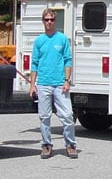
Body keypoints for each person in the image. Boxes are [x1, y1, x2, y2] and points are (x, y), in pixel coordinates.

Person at [29, 9, 77, 159]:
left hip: (60, 84)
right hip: (43, 84)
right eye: (46, 19)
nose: (49, 22)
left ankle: (70, 144)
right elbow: (34, 64)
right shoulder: (39, 41)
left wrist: (67, 81)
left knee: (67, 116)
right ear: (43, 21)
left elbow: (68, 60)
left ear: (55, 22)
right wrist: (32, 85)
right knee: (44, 117)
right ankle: (47, 145)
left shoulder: (62, 39)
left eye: (51, 20)